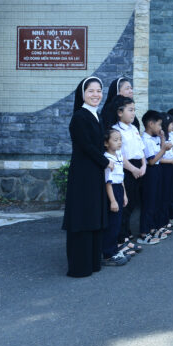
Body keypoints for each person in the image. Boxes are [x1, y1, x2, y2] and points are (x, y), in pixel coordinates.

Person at [62, 77, 112, 278]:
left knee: (93, 213)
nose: (96, 95)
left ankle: (92, 262)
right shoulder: (79, 117)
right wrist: (106, 161)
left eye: (99, 91)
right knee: (83, 215)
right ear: (82, 94)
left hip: (95, 172)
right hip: (83, 174)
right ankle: (80, 266)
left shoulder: (96, 115)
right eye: (91, 91)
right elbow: (86, 146)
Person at [108, 95, 147, 245]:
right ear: (120, 112)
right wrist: (133, 169)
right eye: (130, 110)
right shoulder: (116, 130)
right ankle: (121, 238)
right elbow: (119, 154)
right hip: (126, 168)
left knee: (133, 203)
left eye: (134, 110)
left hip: (138, 167)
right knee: (125, 204)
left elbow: (140, 148)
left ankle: (126, 233)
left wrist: (143, 165)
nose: (133, 113)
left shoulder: (134, 128)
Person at [140, 110, 172, 244]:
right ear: (150, 124)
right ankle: (144, 232)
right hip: (150, 171)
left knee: (157, 200)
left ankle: (152, 227)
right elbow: (152, 161)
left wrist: (162, 138)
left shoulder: (155, 137)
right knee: (149, 202)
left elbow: (161, 151)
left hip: (158, 170)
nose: (160, 128)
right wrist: (164, 149)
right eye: (159, 125)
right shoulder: (145, 139)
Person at [102, 128, 129, 267]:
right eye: (115, 140)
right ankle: (108, 254)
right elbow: (108, 181)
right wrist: (113, 201)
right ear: (106, 143)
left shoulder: (118, 154)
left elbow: (121, 177)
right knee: (112, 223)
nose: (119, 142)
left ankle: (114, 250)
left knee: (117, 223)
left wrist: (124, 194)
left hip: (119, 189)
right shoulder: (107, 159)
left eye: (120, 139)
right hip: (111, 191)